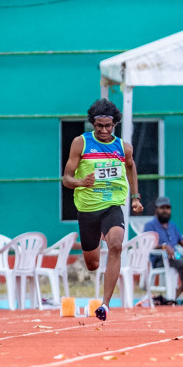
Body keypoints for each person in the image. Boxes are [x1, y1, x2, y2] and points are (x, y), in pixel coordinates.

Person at [61, 98, 142, 320]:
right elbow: (66, 178)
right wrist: (80, 182)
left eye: (108, 126)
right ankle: (97, 237)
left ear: (115, 124)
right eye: (99, 126)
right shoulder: (81, 143)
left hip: (113, 204)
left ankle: (105, 305)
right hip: (88, 208)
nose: (104, 130)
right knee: (93, 264)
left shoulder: (123, 147)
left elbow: (131, 168)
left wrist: (135, 197)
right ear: (92, 125)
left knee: (116, 246)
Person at [143, 196, 183, 312]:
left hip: (177, 256)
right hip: (161, 258)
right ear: (156, 209)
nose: (165, 210)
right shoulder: (150, 225)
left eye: (168, 208)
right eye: (162, 207)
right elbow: (147, 244)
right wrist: (164, 246)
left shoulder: (172, 225)